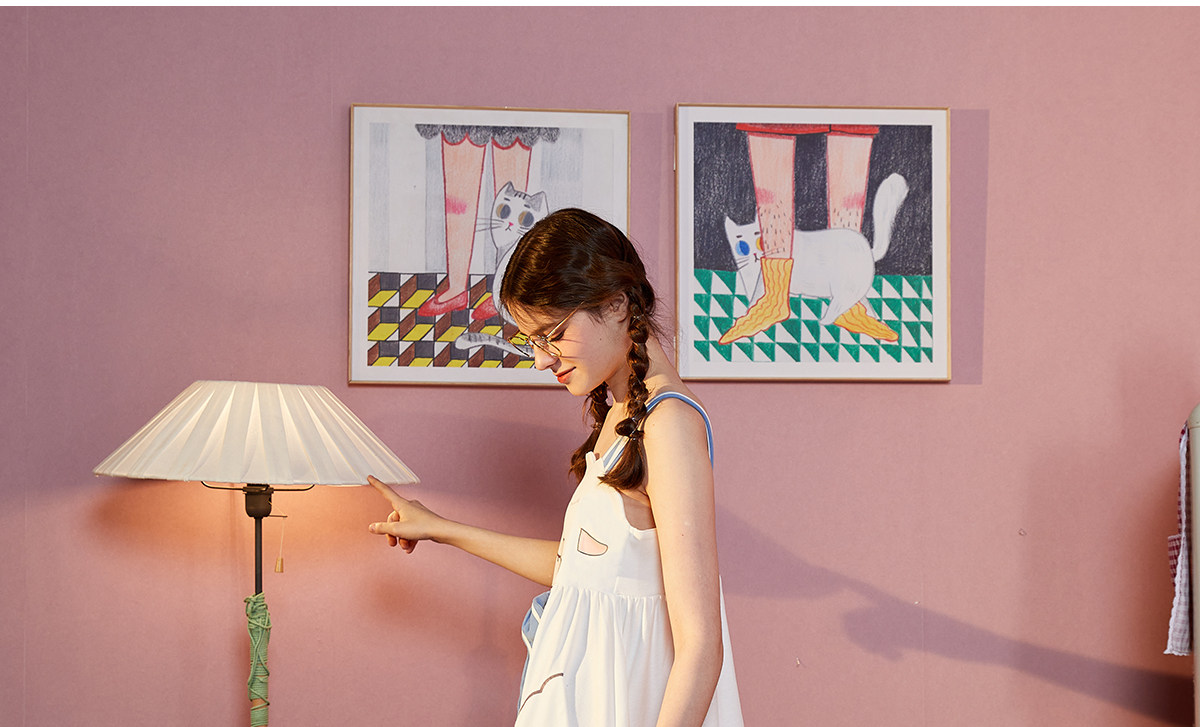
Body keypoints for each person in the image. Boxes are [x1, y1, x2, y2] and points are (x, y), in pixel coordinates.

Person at [367, 208, 744, 726]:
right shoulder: (623, 414)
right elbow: (583, 572)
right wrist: (439, 528)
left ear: (616, 303)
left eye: (553, 334)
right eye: (533, 341)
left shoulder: (669, 424)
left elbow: (701, 646)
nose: (542, 360)